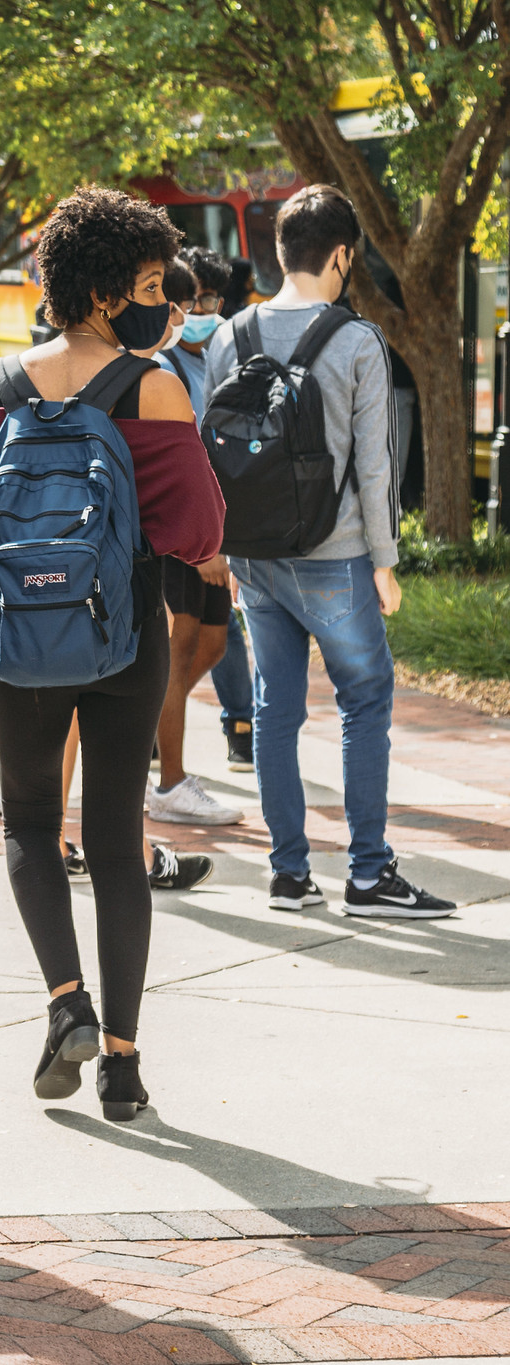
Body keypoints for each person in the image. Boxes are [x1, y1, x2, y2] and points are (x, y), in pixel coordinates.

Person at [0, 187, 226, 1120]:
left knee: (30, 821)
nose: (162, 302)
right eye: (152, 283)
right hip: (124, 636)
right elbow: (194, 528)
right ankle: (122, 1061)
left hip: (17, 639)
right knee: (114, 835)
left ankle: (63, 1000)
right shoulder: (151, 386)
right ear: (110, 294)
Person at [203, 185, 455, 918]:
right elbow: (375, 463)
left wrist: (218, 546)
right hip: (335, 554)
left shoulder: (229, 335)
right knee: (363, 699)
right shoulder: (355, 341)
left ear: (279, 253)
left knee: (273, 709)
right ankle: (369, 874)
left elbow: (208, 451)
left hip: (253, 555)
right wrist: (384, 561)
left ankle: (287, 874)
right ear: (342, 255)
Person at [158, 246, 256, 772]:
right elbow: (179, 462)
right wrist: (200, 543)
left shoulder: (216, 357)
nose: (197, 313)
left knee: (213, 644)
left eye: (208, 300)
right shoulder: (161, 365)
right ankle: (170, 778)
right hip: (187, 531)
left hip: (214, 524)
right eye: (186, 301)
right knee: (179, 650)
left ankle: (153, 721)